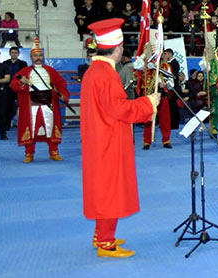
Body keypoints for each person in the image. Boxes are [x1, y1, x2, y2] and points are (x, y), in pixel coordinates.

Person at [81, 18, 160, 258]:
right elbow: (120, 109)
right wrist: (148, 103)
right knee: (109, 189)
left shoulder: (95, 71)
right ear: (117, 49)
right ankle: (106, 243)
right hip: (108, 140)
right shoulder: (106, 74)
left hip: (99, 138)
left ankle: (100, 233)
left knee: (101, 188)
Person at [9, 38, 68, 163]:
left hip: (49, 105)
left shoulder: (51, 71)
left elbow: (61, 85)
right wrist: (21, 82)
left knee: (51, 128)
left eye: (40, 55)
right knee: (31, 128)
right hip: (31, 105)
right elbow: (13, 85)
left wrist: (62, 94)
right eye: (35, 55)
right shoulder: (24, 71)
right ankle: (29, 153)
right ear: (31, 57)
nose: (38, 57)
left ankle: (54, 152)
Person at [135, 47, 172, 150]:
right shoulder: (145, 65)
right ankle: (146, 141)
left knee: (165, 119)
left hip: (162, 95)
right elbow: (136, 65)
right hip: (148, 96)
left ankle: (166, 140)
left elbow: (171, 82)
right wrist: (143, 54)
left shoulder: (165, 66)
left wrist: (165, 84)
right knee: (148, 119)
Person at [198, 46, 218, 136]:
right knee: (215, 110)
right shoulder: (211, 62)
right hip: (215, 89)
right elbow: (203, 67)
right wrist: (204, 54)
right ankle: (214, 129)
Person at [4, 47, 28, 130]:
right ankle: (6, 125)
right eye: (12, 52)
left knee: (22, 107)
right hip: (8, 88)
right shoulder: (5, 63)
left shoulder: (23, 64)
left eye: (15, 52)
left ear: (18, 54)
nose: (14, 54)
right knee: (7, 107)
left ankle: (22, 125)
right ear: (10, 53)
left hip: (20, 88)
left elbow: (26, 75)